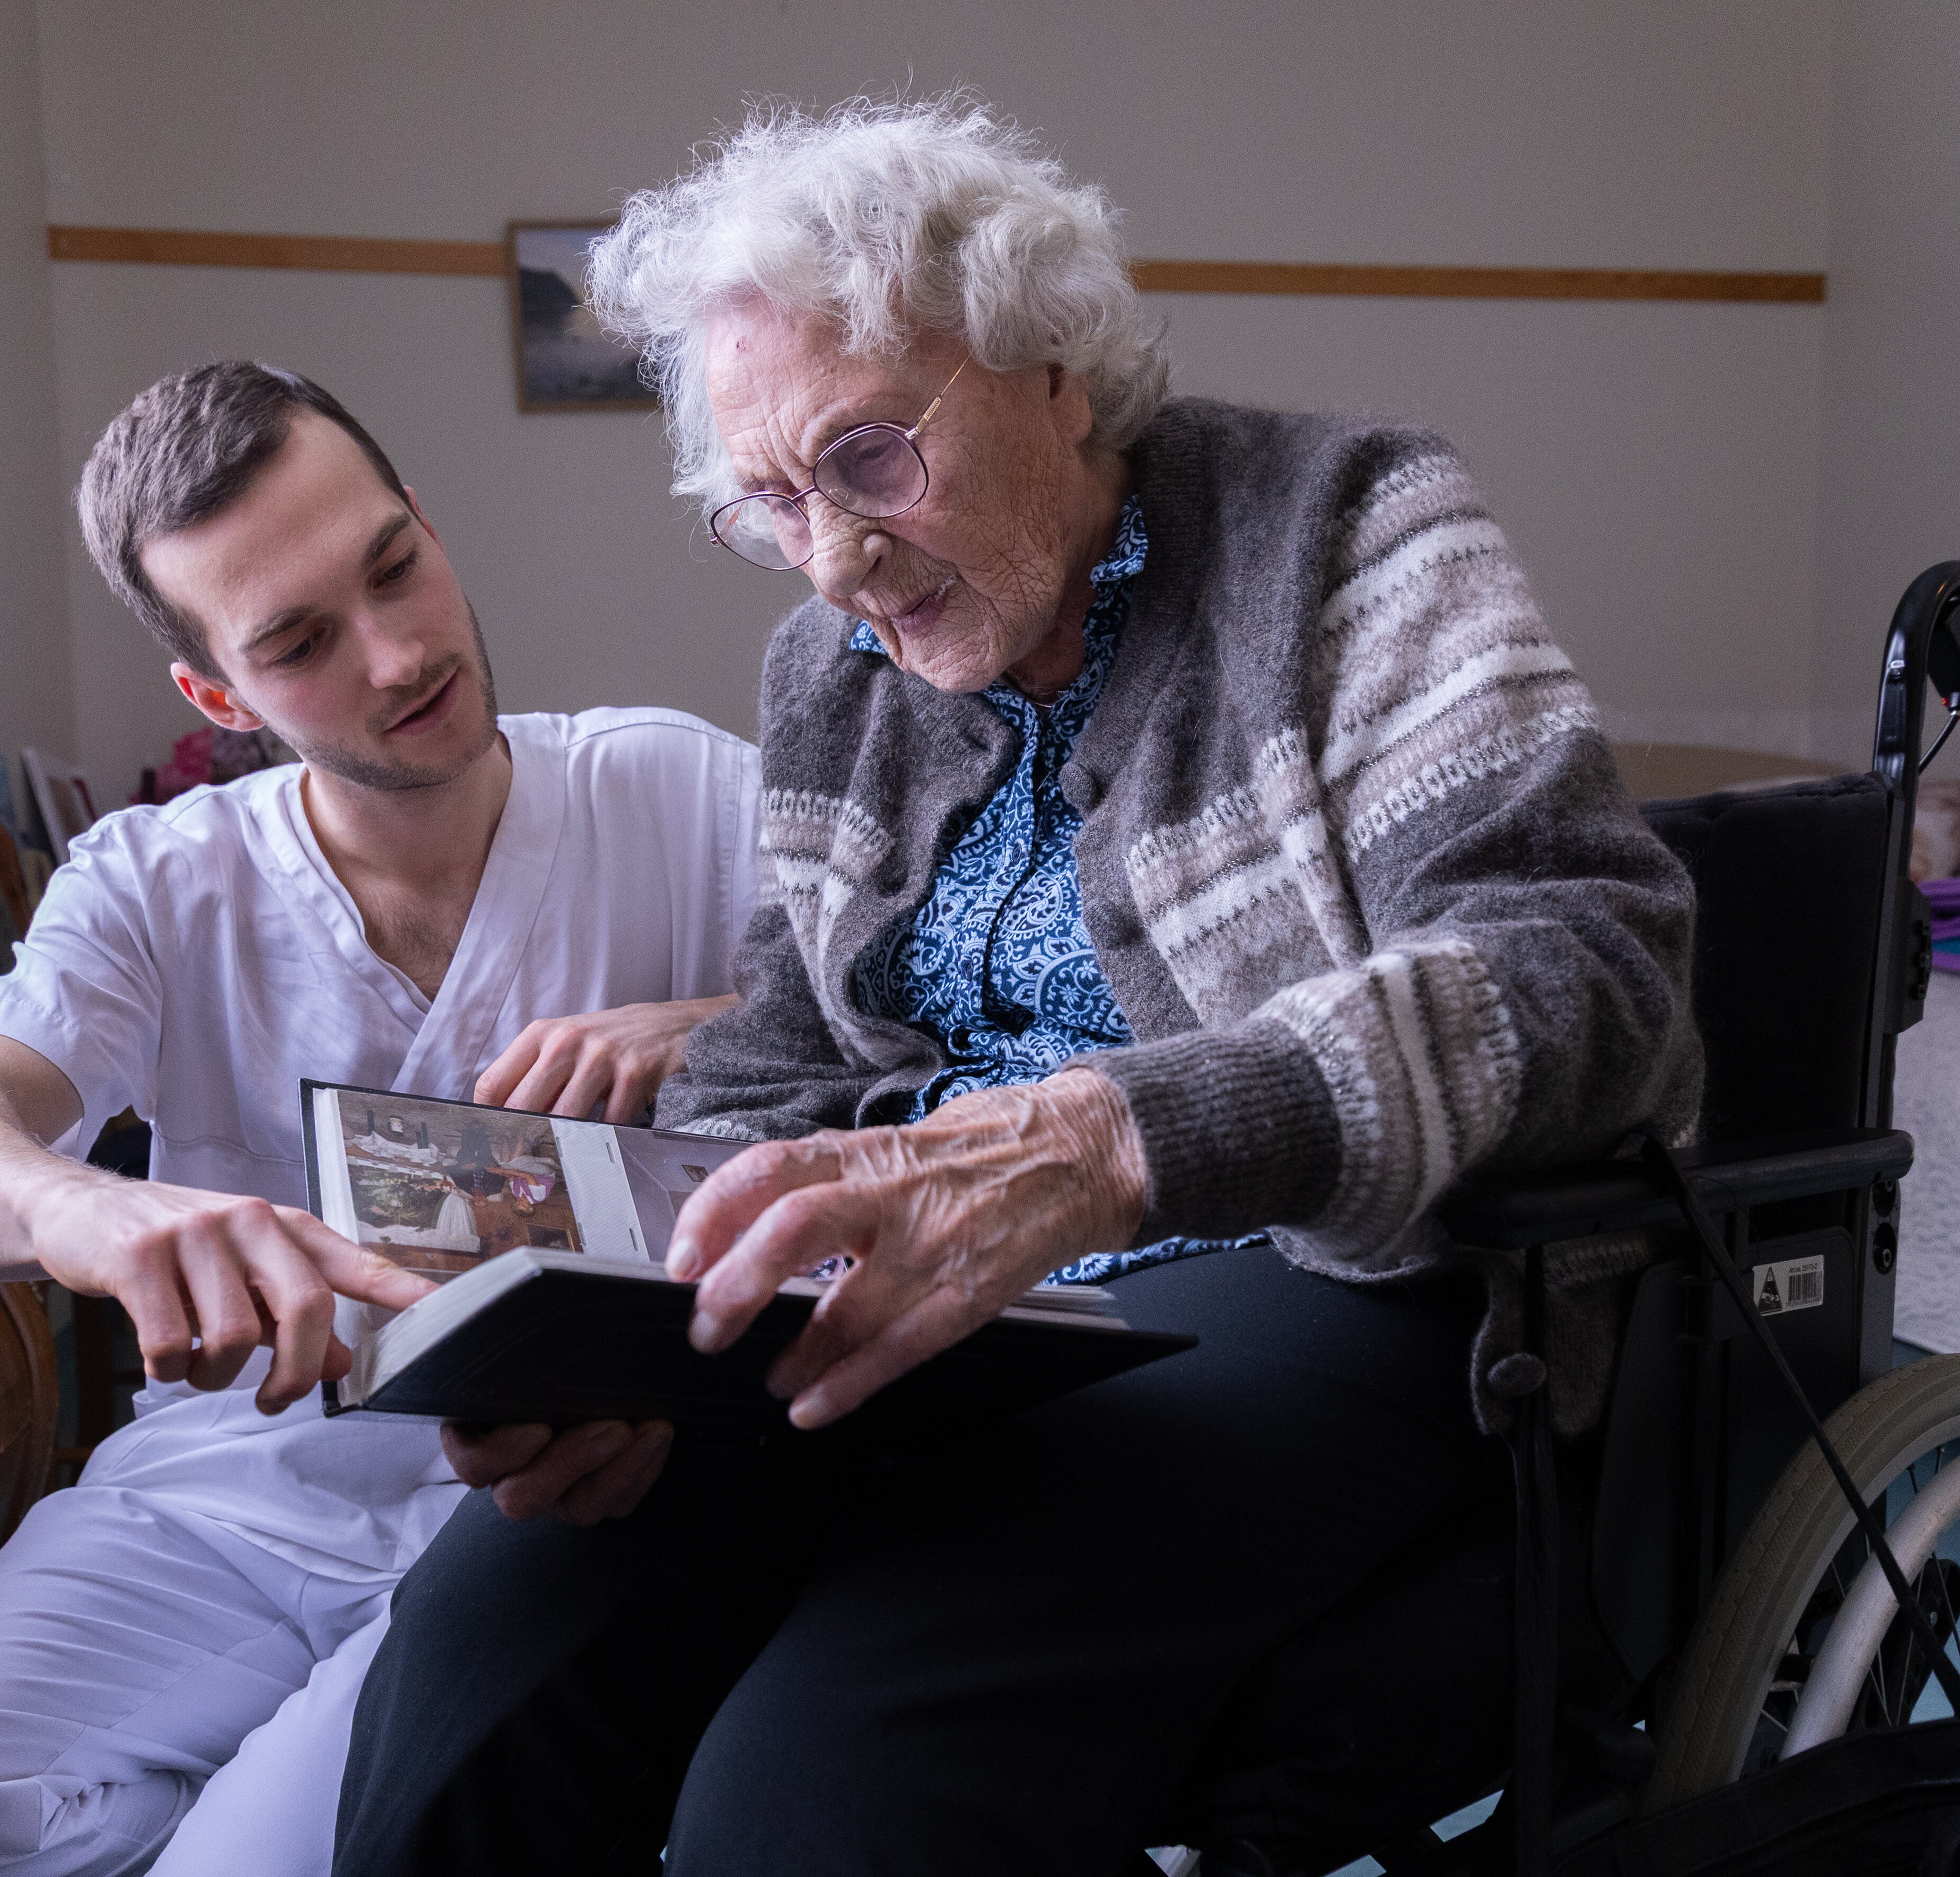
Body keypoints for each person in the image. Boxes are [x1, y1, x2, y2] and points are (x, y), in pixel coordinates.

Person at [332, 97, 1700, 1876]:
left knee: (822, 1774)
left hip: (1328, 1275)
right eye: (770, 503)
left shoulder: (1349, 530)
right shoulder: (830, 668)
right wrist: (648, 1332)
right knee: (489, 1642)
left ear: (1054, 366)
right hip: (955, 1293)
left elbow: (1582, 958)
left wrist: (1115, 1138)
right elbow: (785, 1052)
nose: (834, 560)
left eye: (871, 459)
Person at [0, 362, 757, 1877]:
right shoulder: (156, 878)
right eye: (298, 642)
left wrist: (716, 1028)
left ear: (423, 518)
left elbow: (933, 1026)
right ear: (218, 696)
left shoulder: (671, 790)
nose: (401, 652)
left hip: (552, 1499)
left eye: (395, 566)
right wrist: (88, 1207)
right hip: (240, 1480)